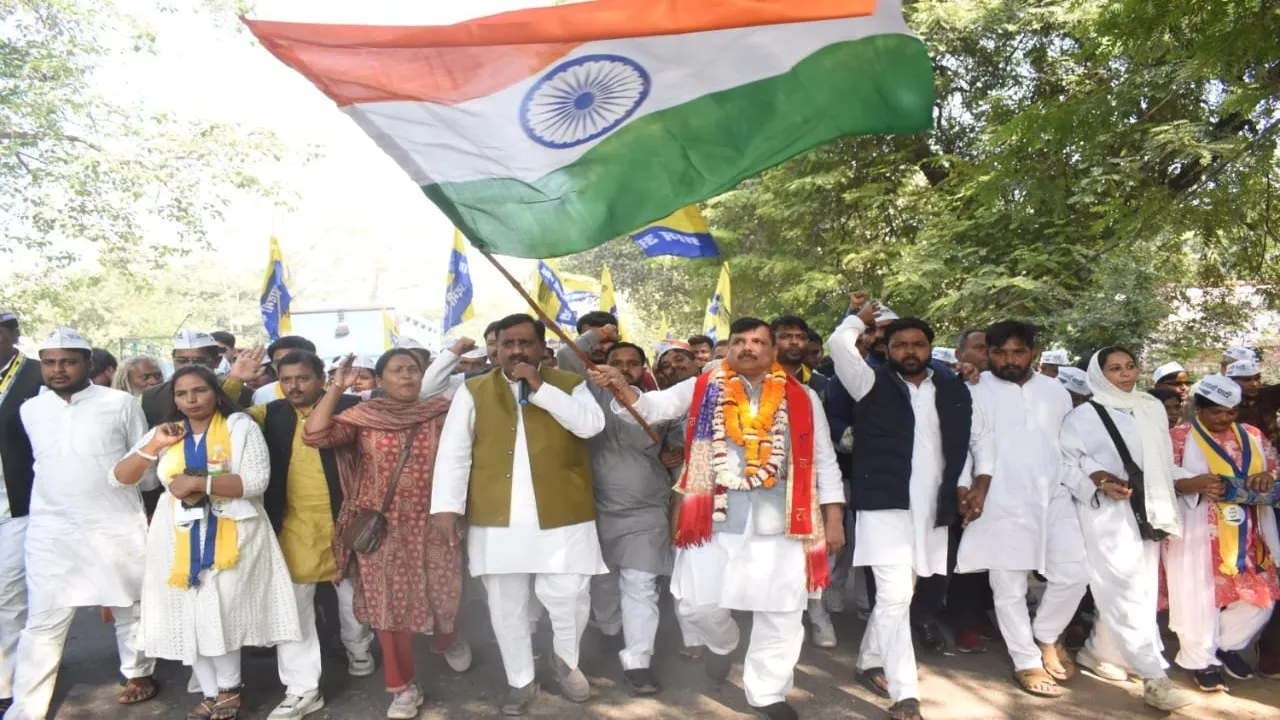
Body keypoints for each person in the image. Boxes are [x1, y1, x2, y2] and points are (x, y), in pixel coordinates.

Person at [593, 316, 844, 720]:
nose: (748, 348)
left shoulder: (802, 396)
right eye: (740, 341)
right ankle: (723, 645)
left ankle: (768, 694)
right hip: (712, 516)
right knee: (696, 606)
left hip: (781, 520)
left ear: (772, 350)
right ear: (729, 348)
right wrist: (624, 389)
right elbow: (655, 406)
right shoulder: (703, 385)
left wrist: (834, 518)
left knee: (780, 612)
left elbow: (825, 463)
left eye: (758, 342)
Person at [431, 313, 606, 715]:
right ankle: (520, 680)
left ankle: (566, 661)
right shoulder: (473, 390)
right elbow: (454, 454)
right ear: (496, 348)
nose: (516, 351)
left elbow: (590, 426)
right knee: (505, 605)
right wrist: (446, 507)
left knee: (570, 597)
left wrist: (540, 387)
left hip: (564, 515)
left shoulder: (569, 384)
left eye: (525, 343)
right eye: (508, 343)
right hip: (497, 519)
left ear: (542, 348)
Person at [829, 296, 991, 720]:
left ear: (929, 348)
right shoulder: (868, 382)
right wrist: (857, 320)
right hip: (884, 506)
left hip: (933, 508)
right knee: (896, 593)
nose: (909, 352)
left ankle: (868, 660)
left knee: (901, 595)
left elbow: (969, 442)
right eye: (899, 345)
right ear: (887, 348)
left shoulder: (952, 386)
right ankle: (906, 694)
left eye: (917, 344)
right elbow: (837, 345)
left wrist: (970, 484)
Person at [111, 365, 300, 720]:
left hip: (233, 532)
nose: (191, 399)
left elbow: (256, 482)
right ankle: (211, 691)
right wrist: (155, 446)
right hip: (177, 536)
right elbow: (120, 478)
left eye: (199, 391)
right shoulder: (167, 432)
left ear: (216, 392)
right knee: (189, 612)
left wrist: (200, 484)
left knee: (219, 610)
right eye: (182, 394)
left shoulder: (238, 426)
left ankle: (229, 689)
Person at [306, 350, 470, 719]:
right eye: (397, 371)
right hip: (382, 527)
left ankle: (447, 639)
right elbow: (314, 435)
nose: (407, 376)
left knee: (444, 590)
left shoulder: (443, 413)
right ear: (379, 380)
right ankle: (402, 687)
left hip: (434, 521)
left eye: (413, 370)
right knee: (388, 606)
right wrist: (336, 388)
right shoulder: (364, 417)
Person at [8, 328, 157, 720]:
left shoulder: (121, 403)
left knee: (130, 605)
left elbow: (145, 466)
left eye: (68, 361)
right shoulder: (31, 409)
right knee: (43, 621)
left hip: (115, 521)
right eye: (50, 362)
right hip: (51, 528)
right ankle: (27, 708)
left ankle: (138, 673)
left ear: (88, 363)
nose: (58, 369)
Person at [1058, 347, 1197, 712]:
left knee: (1140, 589)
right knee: (1125, 588)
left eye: (1130, 366)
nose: (1124, 374)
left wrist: (1190, 482)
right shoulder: (1082, 417)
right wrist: (1097, 479)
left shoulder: (1150, 408)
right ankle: (1155, 678)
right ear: (1099, 374)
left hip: (1148, 511)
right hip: (1105, 514)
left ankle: (1098, 653)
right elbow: (1065, 464)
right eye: (1115, 368)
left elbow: (1162, 464)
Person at [954, 321, 1087, 699]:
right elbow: (966, 446)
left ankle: (1045, 635)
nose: (1009, 360)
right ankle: (1025, 659)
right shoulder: (975, 390)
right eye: (1000, 353)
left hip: (1054, 497)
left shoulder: (1055, 391)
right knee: (1008, 586)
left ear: (1034, 352)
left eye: (1018, 352)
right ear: (987, 352)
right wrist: (965, 489)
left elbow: (1067, 445)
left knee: (1075, 573)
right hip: (999, 498)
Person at [245, 351, 376, 719]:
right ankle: (302, 688)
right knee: (293, 607)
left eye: (302, 378)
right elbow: (227, 419)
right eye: (285, 380)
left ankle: (358, 647)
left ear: (320, 377)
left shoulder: (353, 405)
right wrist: (236, 381)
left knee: (351, 592)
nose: (293, 387)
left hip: (345, 518)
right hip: (293, 524)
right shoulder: (270, 413)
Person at [557, 334, 680, 696]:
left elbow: (685, 442)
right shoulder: (587, 395)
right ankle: (610, 630)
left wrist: (674, 451)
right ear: (600, 366)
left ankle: (638, 660)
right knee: (603, 579)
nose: (624, 369)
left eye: (632, 364)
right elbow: (566, 353)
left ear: (643, 369)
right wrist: (597, 335)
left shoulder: (657, 403)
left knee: (640, 585)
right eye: (617, 362)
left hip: (646, 506)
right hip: (593, 505)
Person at [1165, 375, 1280, 692]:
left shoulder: (1252, 435)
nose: (1225, 418)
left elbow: (1273, 467)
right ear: (1199, 407)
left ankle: (1220, 647)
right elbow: (1163, 475)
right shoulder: (1179, 436)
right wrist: (1192, 483)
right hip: (1198, 530)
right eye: (1217, 411)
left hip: (1249, 532)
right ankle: (1199, 659)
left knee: (1261, 599)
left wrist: (1265, 477)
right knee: (1198, 599)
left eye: (1231, 411)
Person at [770, 315, 836, 648]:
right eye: (786, 336)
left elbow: (830, 437)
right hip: (768, 483)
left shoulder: (820, 385)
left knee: (816, 553)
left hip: (810, 480)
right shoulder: (750, 381)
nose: (794, 342)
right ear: (772, 341)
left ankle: (818, 614)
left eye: (800, 337)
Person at [0, 311, 42, 714]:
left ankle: (7, 683)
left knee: (8, 593)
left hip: (18, 501)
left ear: (13, 334)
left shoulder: (36, 376)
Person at [141, 329, 257, 427]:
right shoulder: (148, 397)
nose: (189, 366)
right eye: (182, 361)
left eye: (199, 361)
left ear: (217, 361)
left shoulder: (244, 394)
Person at [1228, 358, 1280, 447]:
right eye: (1246, 380)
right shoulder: (1223, 404)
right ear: (1231, 381)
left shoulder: (1268, 395)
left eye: (1257, 378)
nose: (1254, 384)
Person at [255, 336, 319, 405]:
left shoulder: (330, 391)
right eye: (278, 363)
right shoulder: (262, 395)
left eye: (292, 360)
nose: (284, 367)